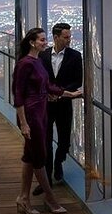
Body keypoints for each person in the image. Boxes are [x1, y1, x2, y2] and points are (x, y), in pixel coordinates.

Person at [12, 27, 82, 214]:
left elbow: (48, 86)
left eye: (45, 39)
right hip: (32, 117)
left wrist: (69, 93)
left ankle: (23, 199)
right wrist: (24, 123)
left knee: (29, 157)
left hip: (39, 113)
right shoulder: (26, 63)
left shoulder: (36, 61)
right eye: (42, 40)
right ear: (32, 42)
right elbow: (18, 95)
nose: (45, 42)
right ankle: (50, 199)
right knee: (40, 158)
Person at [32, 23, 83, 196]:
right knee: (45, 141)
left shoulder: (75, 56)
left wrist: (60, 93)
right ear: (56, 38)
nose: (69, 40)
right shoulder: (43, 56)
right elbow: (39, 79)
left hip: (63, 104)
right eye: (66, 37)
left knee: (64, 141)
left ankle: (59, 161)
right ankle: (47, 179)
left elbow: (77, 81)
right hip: (46, 105)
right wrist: (48, 93)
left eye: (69, 36)